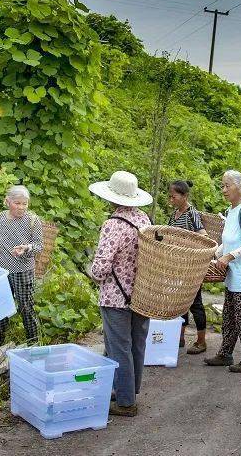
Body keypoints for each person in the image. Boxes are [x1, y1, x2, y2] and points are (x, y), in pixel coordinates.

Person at [88, 171, 152, 417]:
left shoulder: (113, 224)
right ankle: (128, 389)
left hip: (116, 296)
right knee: (136, 343)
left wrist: (92, 273)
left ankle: (125, 402)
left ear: (112, 197)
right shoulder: (144, 219)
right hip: (143, 294)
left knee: (118, 348)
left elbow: (101, 267)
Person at [204, 170, 241, 373]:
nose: (224, 190)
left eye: (227, 185)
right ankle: (225, 354)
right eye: (223, 185)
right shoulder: (231, 211)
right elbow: (226, 243)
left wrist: (228, 257)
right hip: (233, 276)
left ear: (239, 187)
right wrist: (213, 256)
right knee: (229, 318)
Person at [0, 185, 43, 346]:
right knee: (0, 308)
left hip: (23, 271)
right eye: (17, 203)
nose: (22, 207)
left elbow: (39, 246)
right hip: (1, 271)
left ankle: (33, 344)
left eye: (25, 203)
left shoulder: (32, 220)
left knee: (26, 308)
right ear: (7, 202)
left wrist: (26, 248)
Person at [167, 179, 209, 355]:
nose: (171, 200)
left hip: (191, 267)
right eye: (170, 197)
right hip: (177, 267)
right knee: (181, 302)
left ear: (185, 196)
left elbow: (204, 237)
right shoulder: (175, 214)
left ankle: (201, 341)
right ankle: (180, 337)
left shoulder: (192, 214)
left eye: (174, 196)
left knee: (195, 303)